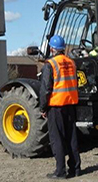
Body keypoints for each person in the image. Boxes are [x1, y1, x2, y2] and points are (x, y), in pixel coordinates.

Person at [40, 35, 81, 179]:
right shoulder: (71, 63)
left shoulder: (50, 64)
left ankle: (60, 172)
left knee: (56, 139)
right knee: (71, 137)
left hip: (56, 106)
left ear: (52, 48)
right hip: (70, 104)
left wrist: (43, 108)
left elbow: (45, 88)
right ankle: (75, 168)